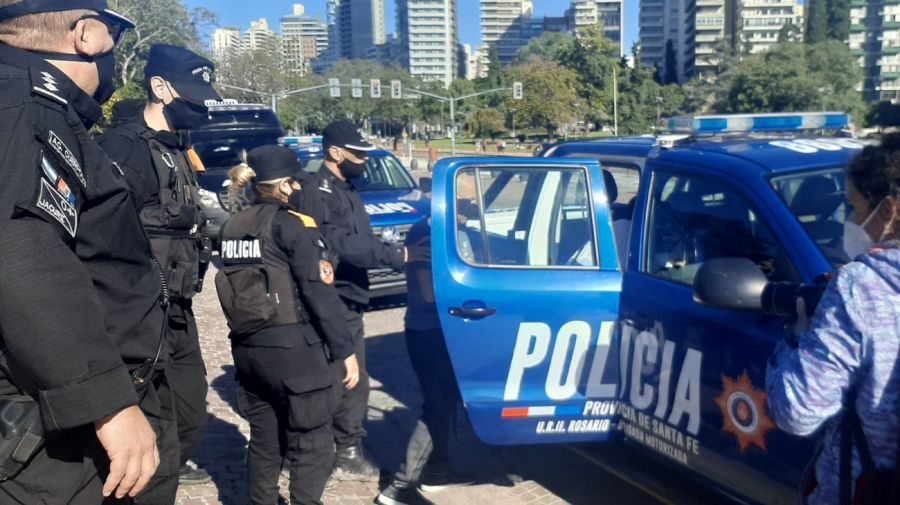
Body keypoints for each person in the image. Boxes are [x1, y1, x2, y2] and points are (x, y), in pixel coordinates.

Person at [0, 1, 176, 503]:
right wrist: (109, 404)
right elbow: (22, 254)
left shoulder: (37, 107)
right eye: (115, 33)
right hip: (54, 426)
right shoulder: (25, 107)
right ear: (88, 35)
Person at [96, 43, 218, 486]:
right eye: (194, 95)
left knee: (190, 417)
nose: (202, 106)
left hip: (178, 310)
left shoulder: (180, 151)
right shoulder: (124, 149)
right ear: (161, 88)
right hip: (137, 315)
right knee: (152, 427)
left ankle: (162, 473)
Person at [217, 145, 360, 505]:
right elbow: (319, 293)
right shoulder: (292, 225)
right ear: (284, 186)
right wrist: (345, 351)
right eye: (296, 183)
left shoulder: (232, 226)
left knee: (265, 442)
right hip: (296, 354)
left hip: (249, 352)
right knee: (311, 443)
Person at [766, 137, 900, 505]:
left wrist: (795, 336)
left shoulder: (862, 287)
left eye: (855, 208)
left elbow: (797, 410)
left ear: (888, 211)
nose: (852, 222)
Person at [293, 120, 407, 481]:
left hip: (351, 297)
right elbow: (340, 244)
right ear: (335, 152)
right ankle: (342, 450)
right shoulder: (317, 191)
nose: (363, 160)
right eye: (357, 154)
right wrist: (394, 255)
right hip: (333, 297)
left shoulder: (346, 186)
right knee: (348, 378)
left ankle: (339, 445)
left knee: (349, 376)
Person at [375, 174, 479, 505]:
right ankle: (400, 486)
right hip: (429, 332)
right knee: (437, 405)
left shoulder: (454, 231)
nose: (475, 207)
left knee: (446, 402)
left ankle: (437, 470)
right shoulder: (427, 233)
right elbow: (430, 294)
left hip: (445, 330)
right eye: (470, 202)